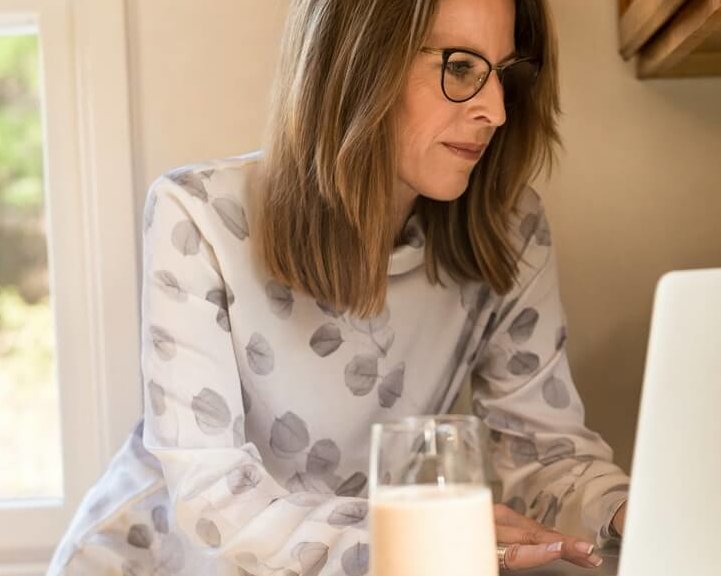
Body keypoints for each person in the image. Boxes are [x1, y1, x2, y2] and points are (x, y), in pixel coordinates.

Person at [47, 0, 629, 573]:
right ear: (359, 62)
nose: (496, 111)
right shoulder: (198, 216)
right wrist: (425, 536)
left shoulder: (508, 231)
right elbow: (215, 504)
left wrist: (628, 510)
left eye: (503, 74)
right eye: (459, 68)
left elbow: (546, 457)